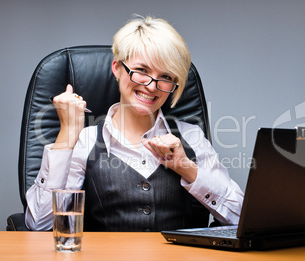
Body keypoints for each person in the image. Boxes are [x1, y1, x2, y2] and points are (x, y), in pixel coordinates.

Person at [25, 16, 244, 232]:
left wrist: (186, 168)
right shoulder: (85, 140)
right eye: (142, 71)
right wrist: (69, 132)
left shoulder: (192, 138)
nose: (151, 86)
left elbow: (242, 218)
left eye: (166, 76)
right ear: (117, 68)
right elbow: (40, 225)